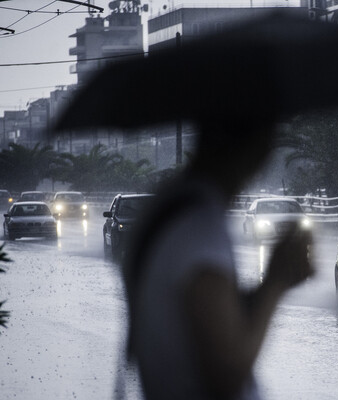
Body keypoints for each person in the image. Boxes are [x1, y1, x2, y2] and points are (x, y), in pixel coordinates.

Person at [121, 122, 313, 399]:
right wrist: (276, 281)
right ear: (254, 148)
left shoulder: (168, 207)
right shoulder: (200, 225)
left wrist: (261, 291)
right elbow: (227, 374)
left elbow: (207, 316)